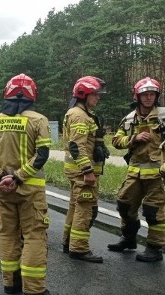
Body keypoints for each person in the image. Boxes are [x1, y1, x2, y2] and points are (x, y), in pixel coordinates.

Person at [0, 74, 52, 295]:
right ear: (32, 94)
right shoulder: (39, 120)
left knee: (7, 234)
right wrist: (19, 177)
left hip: (3, 190)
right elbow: (42, 155)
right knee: (34, 236)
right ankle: (34, 290)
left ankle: (11, 286)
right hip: (30, 190)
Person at [108, 77, 165, 262]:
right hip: (135, 173)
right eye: (144, 94)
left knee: (153, 211)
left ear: (157, 96)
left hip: (158, 175)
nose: (148, 98)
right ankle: (129, 239)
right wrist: (133, 138)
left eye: (152, 94)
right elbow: (116, 141)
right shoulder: (130, 118)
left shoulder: (163, 116)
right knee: (124, 205)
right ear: (137, 96)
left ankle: (155, 248)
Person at [61, 76, 109, 263]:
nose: (98, 98)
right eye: (95, 94)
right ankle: (79, 248)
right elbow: (76, 146)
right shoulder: (80, 115)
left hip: (77, 171)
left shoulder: (79, 112)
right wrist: (87, 170)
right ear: (84, 94)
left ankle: (68, 242)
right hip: (83, 173)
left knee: (75, 207)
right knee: (85, 210)